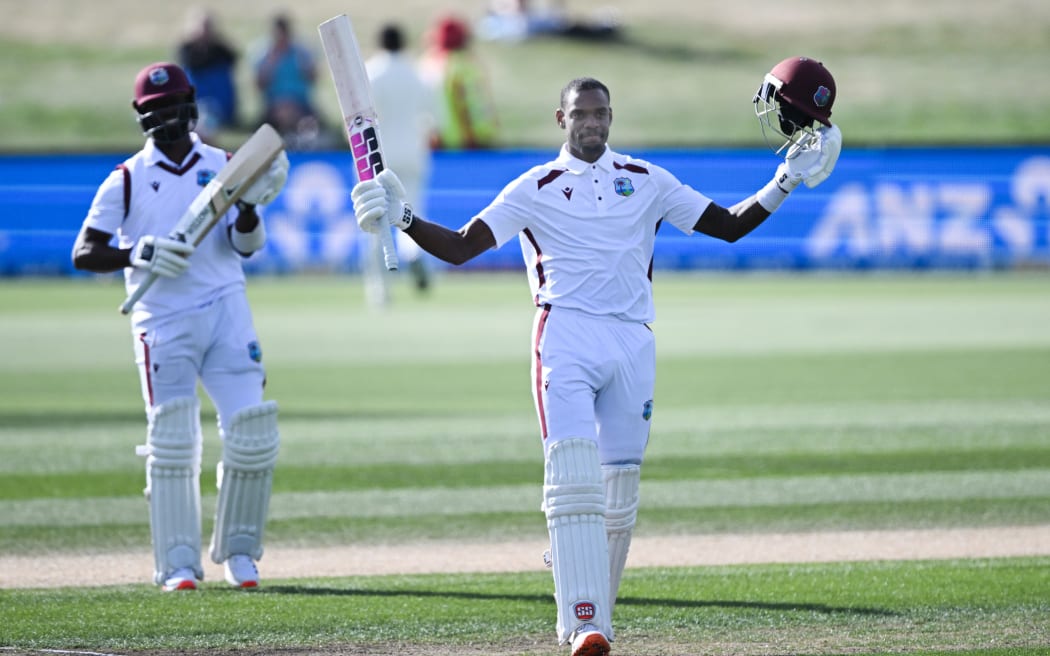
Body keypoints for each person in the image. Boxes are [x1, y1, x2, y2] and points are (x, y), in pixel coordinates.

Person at [351, 60, 841, 656]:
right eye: (580, 113)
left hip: (633, 338)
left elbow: (730, 227)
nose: (591, 122)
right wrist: (401, 217)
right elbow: (459, 248)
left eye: (600, 112)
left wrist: (784, 181)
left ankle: (588, 616)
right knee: (574, 482)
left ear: (611, 118)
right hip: (565, 337)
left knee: (619, 496)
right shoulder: (532, 187)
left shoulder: (648, 179)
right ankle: (587, 624)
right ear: (561, 119)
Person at [71, 62, 290, 592]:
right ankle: (178, 565)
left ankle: (240, 556)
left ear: (192, 106)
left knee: (251, 433)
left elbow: (246, 247)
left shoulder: (227, 165)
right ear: (141, 116)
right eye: (156, 111)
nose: (168, 118)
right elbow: (84, 252)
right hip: (162, 321)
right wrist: (137, 253)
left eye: (175, 107)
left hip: (226, 308)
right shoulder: (125, 179)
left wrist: (248, 211)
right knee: (172, 443)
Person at [363, 22, 438, 304]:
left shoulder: (371, 73)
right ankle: (414, 253)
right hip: (412, 152)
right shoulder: (417, 72)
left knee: (376, 222)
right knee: (411, 215)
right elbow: (433, 116)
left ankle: (380, 292)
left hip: (379, 155)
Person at [419, 15, 498, 149]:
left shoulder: (427, 64)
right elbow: (467, 106)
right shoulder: (465, 66)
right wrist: (472, 138)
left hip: (435, 144)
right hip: (467, 144)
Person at [251, 12, 322, 146]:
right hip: (273, 105)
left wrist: (305, 66)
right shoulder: (262, 53)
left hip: (301, 103)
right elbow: (259, 86)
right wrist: (271, 64)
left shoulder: (302, 52)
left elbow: (313, 79)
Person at [176, 8, 240, 137]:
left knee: (208, 115)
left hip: (217, 104)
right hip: (197, 103)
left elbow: (233, 58)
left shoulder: (221, 52)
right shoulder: (187, 51)